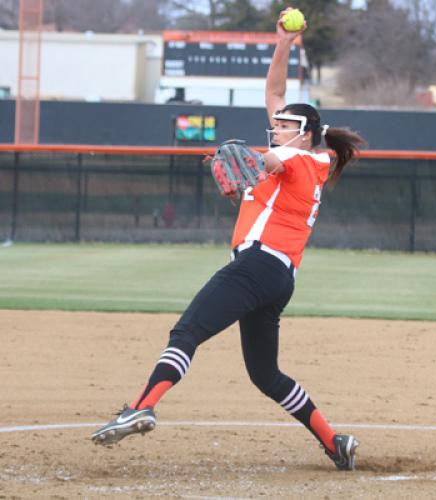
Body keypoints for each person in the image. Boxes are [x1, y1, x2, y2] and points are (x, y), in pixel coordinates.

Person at [91, 9, 366, 471]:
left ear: (305, 133)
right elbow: (275, 93)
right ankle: (334, 442)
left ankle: (141, 406)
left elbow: (274, 163)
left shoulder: (301, 160)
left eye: (282, 125)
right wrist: (283, 45)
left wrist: (252, 161)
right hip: (277, 277)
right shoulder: (302, 153)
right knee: (265, 374)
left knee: (187, 331)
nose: (274, 126)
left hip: (258, 267)